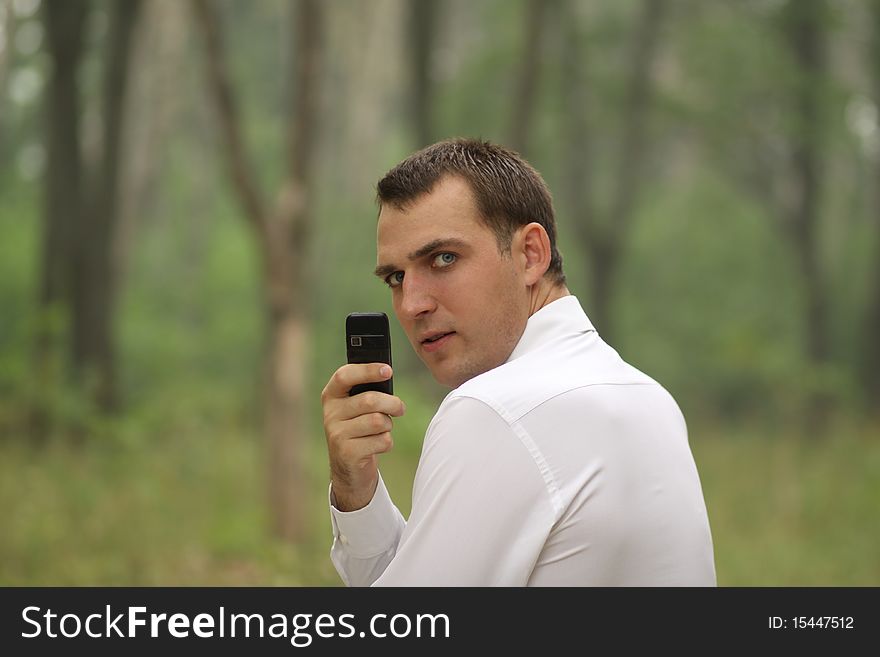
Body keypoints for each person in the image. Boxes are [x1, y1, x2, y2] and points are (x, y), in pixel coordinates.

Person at [321, 138, 716, 586]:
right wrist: (357, 491)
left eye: (443, 258)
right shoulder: (649, 398)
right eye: (396, 277)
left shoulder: (494, 410)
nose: (411, 305)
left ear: (531, 254)